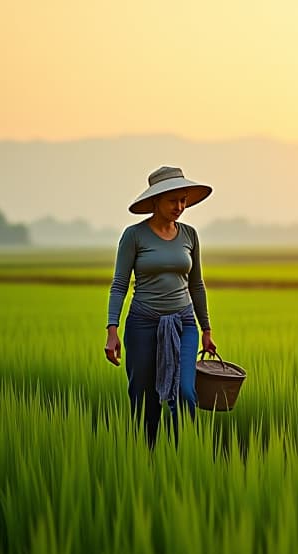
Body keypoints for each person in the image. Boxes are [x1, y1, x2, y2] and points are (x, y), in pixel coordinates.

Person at [104, 166, 217, 448]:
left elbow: (197, 284)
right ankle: (148, 457)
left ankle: (184, 456)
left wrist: (206, 329)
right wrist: (112, 329)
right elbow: (119, 284)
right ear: (155, 201)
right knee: (145, 399)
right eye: (173, 201)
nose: (180, 207)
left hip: (184, 323)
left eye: (184, 200)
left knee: (186, 393)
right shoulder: (134, 236)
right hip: (143, 324)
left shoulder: (190, 235)